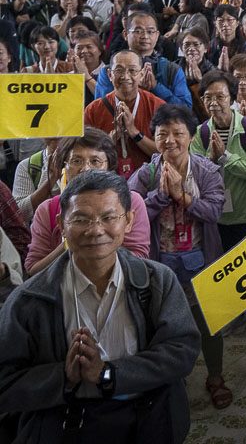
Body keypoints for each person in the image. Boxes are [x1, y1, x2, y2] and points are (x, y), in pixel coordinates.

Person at [0, 170, 199, 442]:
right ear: (61, 225)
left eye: (108, 217)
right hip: (65, 424)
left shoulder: (156, 281)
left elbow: (182, 351)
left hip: (147, 419)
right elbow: (5, 382)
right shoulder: (30, 300)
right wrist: (63, 377)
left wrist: (108, 374)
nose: (95, 230)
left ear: (128, 221)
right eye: (80, 219)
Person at [129, 104, 229, 408]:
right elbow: (131, 214)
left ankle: (215, 377)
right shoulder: (146, 173)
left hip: (201, 259)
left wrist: (182, 196)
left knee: (208, 322)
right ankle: (174, 378)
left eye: (178, 133)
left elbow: (214, 212)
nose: (170, 140)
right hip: (159, 263)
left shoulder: (207, 171)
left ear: (191, 137)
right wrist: (161, 196)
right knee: (165, 324)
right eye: (162, 134)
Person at [24, 128, 151, 275]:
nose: (85, 169)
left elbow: (139, 257)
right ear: (63, 166)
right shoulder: (47, 210)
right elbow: (33, 270)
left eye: (95, 161)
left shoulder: (130, 201)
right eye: (76, 161)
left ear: (109, 165)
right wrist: (69, 243)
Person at [190, 70, 246, 248]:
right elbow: (195, 174)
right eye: (208, 97)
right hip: (217, 215)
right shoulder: (201, 133)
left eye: (220, 97)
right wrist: (211, 160)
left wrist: (225, 157)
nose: (213, 103)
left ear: (231, 99)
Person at [81, 50, 163, 181]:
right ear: (109, 75)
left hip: (149, 182)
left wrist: (135, 133)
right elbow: (85, 155)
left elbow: (165, 153)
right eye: (119, 70)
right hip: (105, 182)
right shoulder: (93, 110)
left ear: (141, 74)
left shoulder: (157, 106)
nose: (125, 76)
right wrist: (112, 138)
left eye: (132, 70)